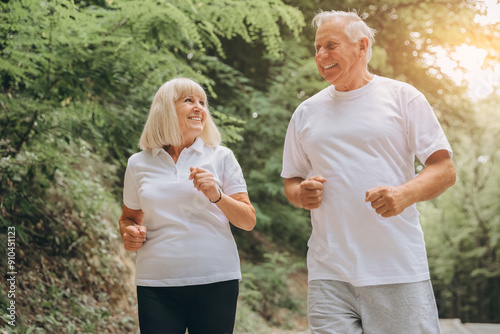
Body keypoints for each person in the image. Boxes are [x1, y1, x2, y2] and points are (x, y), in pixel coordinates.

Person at [281, 10, 456, 334]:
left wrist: (404, 194)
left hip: (396, 269)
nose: (321, 56)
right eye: (317, 48)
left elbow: (444, 169)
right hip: (328, 273)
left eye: (330, 45)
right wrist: (300, 193)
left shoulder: (403, 97)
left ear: (362, 46)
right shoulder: (306, 112)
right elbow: (291, 181)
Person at [119, 77, 256, 334]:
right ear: (165, 110)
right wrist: (129, 234)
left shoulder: (221, 156)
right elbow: (128, 218)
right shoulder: (138, 163)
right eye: (189, 100)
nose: (199, 108)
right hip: (156, 283)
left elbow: (248, 220)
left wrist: (216, 195)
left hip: (215, 280)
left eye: (203, 102)